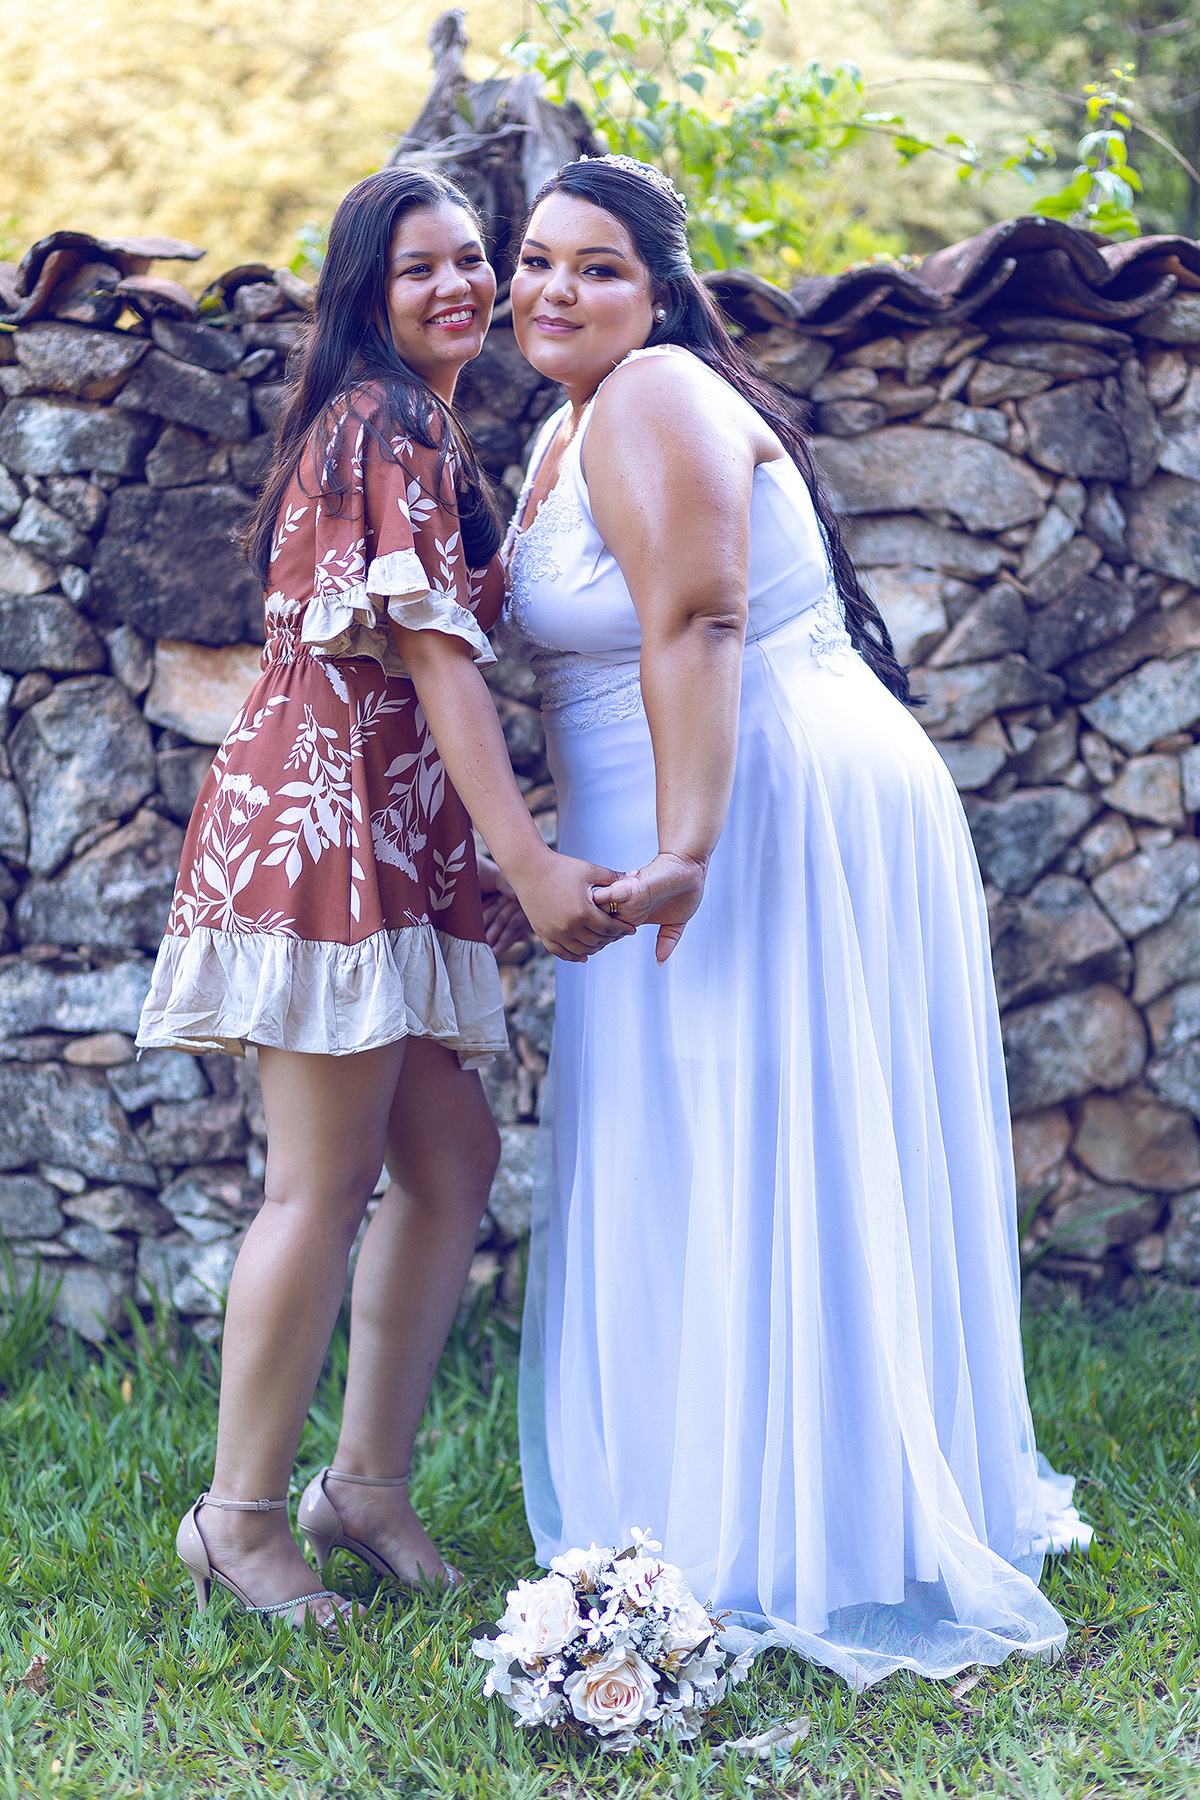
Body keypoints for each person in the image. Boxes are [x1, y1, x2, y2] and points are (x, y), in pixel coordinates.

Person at [503, 154, 1085, 1687]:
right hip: (677, 815)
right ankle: (733, 1491)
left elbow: (701, 617)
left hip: (761, 805)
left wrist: (687, 847)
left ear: (660, 293)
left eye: (600, 268)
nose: (556, 289)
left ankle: (815, 1517)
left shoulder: (653, 394)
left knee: (769, 1137)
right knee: (700, 1145)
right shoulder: (562, 425)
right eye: (538, 258)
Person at [137, 167, 631, 1628]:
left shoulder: (422, 426)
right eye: (421, 268)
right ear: (367, 292)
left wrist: (472, 846)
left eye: (474, 257)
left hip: (388, 829)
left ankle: (363, 1488)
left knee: (452, 1161)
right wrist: (526, 859)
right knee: (321, 1180)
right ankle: (236, 1522)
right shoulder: (379, 420)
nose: (461, 285)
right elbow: (431, 657)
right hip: (326, 825)